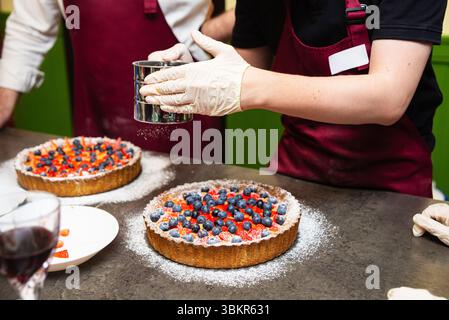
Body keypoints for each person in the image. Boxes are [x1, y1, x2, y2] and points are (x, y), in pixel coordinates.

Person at [140, 0, 447, 197]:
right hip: (296, 172)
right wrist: (191, 71)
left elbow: (387, 97)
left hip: (391, 186)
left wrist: (248, 87)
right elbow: (246, 65)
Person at [0, 0, 235, 152]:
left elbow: (261, 9)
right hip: (96, 122)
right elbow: (30, 28)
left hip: (186, 124)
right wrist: (3, 103)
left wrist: (205, 36)